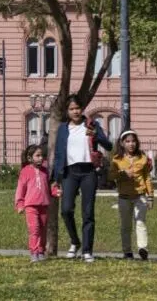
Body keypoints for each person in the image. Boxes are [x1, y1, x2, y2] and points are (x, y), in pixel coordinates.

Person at [51, 95, 112, 263]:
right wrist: (56, 178)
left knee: (88, 213)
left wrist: (96, 136)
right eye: (71, 109)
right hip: (70, 172)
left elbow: (109, 146)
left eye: (77, 108)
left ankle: (87, 250)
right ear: (67, 111)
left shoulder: (92, 125)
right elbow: (58, 154)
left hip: (88, 172)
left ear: (82, 108)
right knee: (66, 209)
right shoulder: (63, 128)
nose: (75, 111)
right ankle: (75, 241)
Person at [108, 130, 153, 260]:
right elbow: (110, 176)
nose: (131, 144)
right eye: (127, 141)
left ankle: (142, 248)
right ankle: (127, 251)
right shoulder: (117, 159)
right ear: (122, 143)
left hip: (140, 196)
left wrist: (150, 197)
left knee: (140, 222)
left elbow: (147, 178)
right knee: (126, 225)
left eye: (133, 141)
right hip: (124, 197)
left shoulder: (143, 158)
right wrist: (122, 173)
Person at [14, 145, 51, 262]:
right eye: (38, 156)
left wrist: (56, 191)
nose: (41, 158)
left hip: (44, 206)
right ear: (30, 158)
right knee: (34, 229)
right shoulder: (25, 172)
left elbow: (50, 187)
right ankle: (34, 252)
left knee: (43, 230)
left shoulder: (45, 171)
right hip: (31, 206)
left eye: (42, 156)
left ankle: (41, 251)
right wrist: (20, 204)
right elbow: (20, 189)